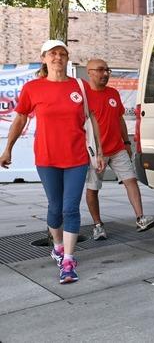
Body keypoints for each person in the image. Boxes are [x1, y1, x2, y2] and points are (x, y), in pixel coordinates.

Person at [0, 40, 105, 284]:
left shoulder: (80, 86)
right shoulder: (33, 88)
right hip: (47, 158)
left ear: (68, 59)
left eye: (62, 53)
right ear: (44, 58)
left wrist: (98, 152)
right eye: (53, 54)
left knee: (70, 208)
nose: (58, 57)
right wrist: (8, 149)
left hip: (77, 157)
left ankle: (68, 260)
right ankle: (57, 246)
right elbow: (20, 120)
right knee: (55, 207)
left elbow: (92, 120)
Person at [84, 58, 154, 240]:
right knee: (93, 188)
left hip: (117, 148)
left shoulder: (113, 93)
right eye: (101, 70)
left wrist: (126, 142)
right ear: (90, 72)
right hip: (95, 152)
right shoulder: (84, 96)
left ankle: (141, 218)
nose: (105, 74)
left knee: (131, 180)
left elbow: (119, 119)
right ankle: (98, 226)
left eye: (107, 70)